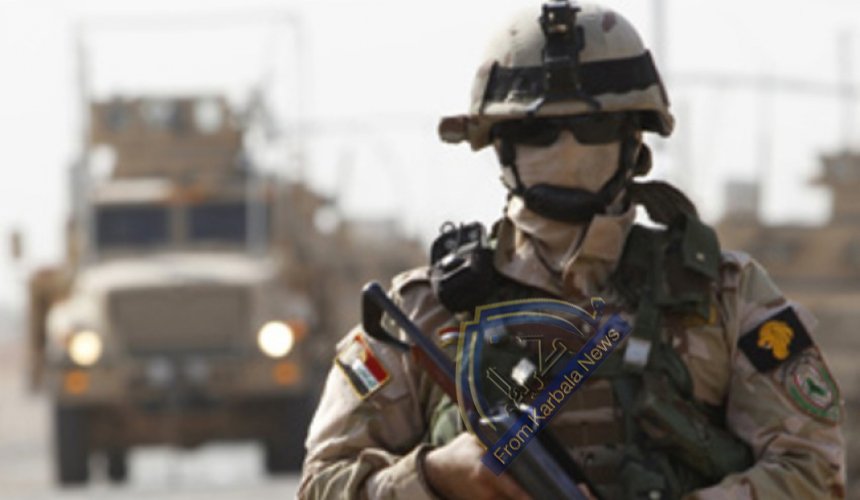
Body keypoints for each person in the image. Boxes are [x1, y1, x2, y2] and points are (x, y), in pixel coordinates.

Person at [298, 2, 846, 499]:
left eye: (592, 125)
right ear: (500, 143)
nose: (566, 149)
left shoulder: (722, 295)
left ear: (634, 139)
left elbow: (813, 470)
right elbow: (322, 485)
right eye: (538, 131)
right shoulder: (423, 311)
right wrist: (434, 476)